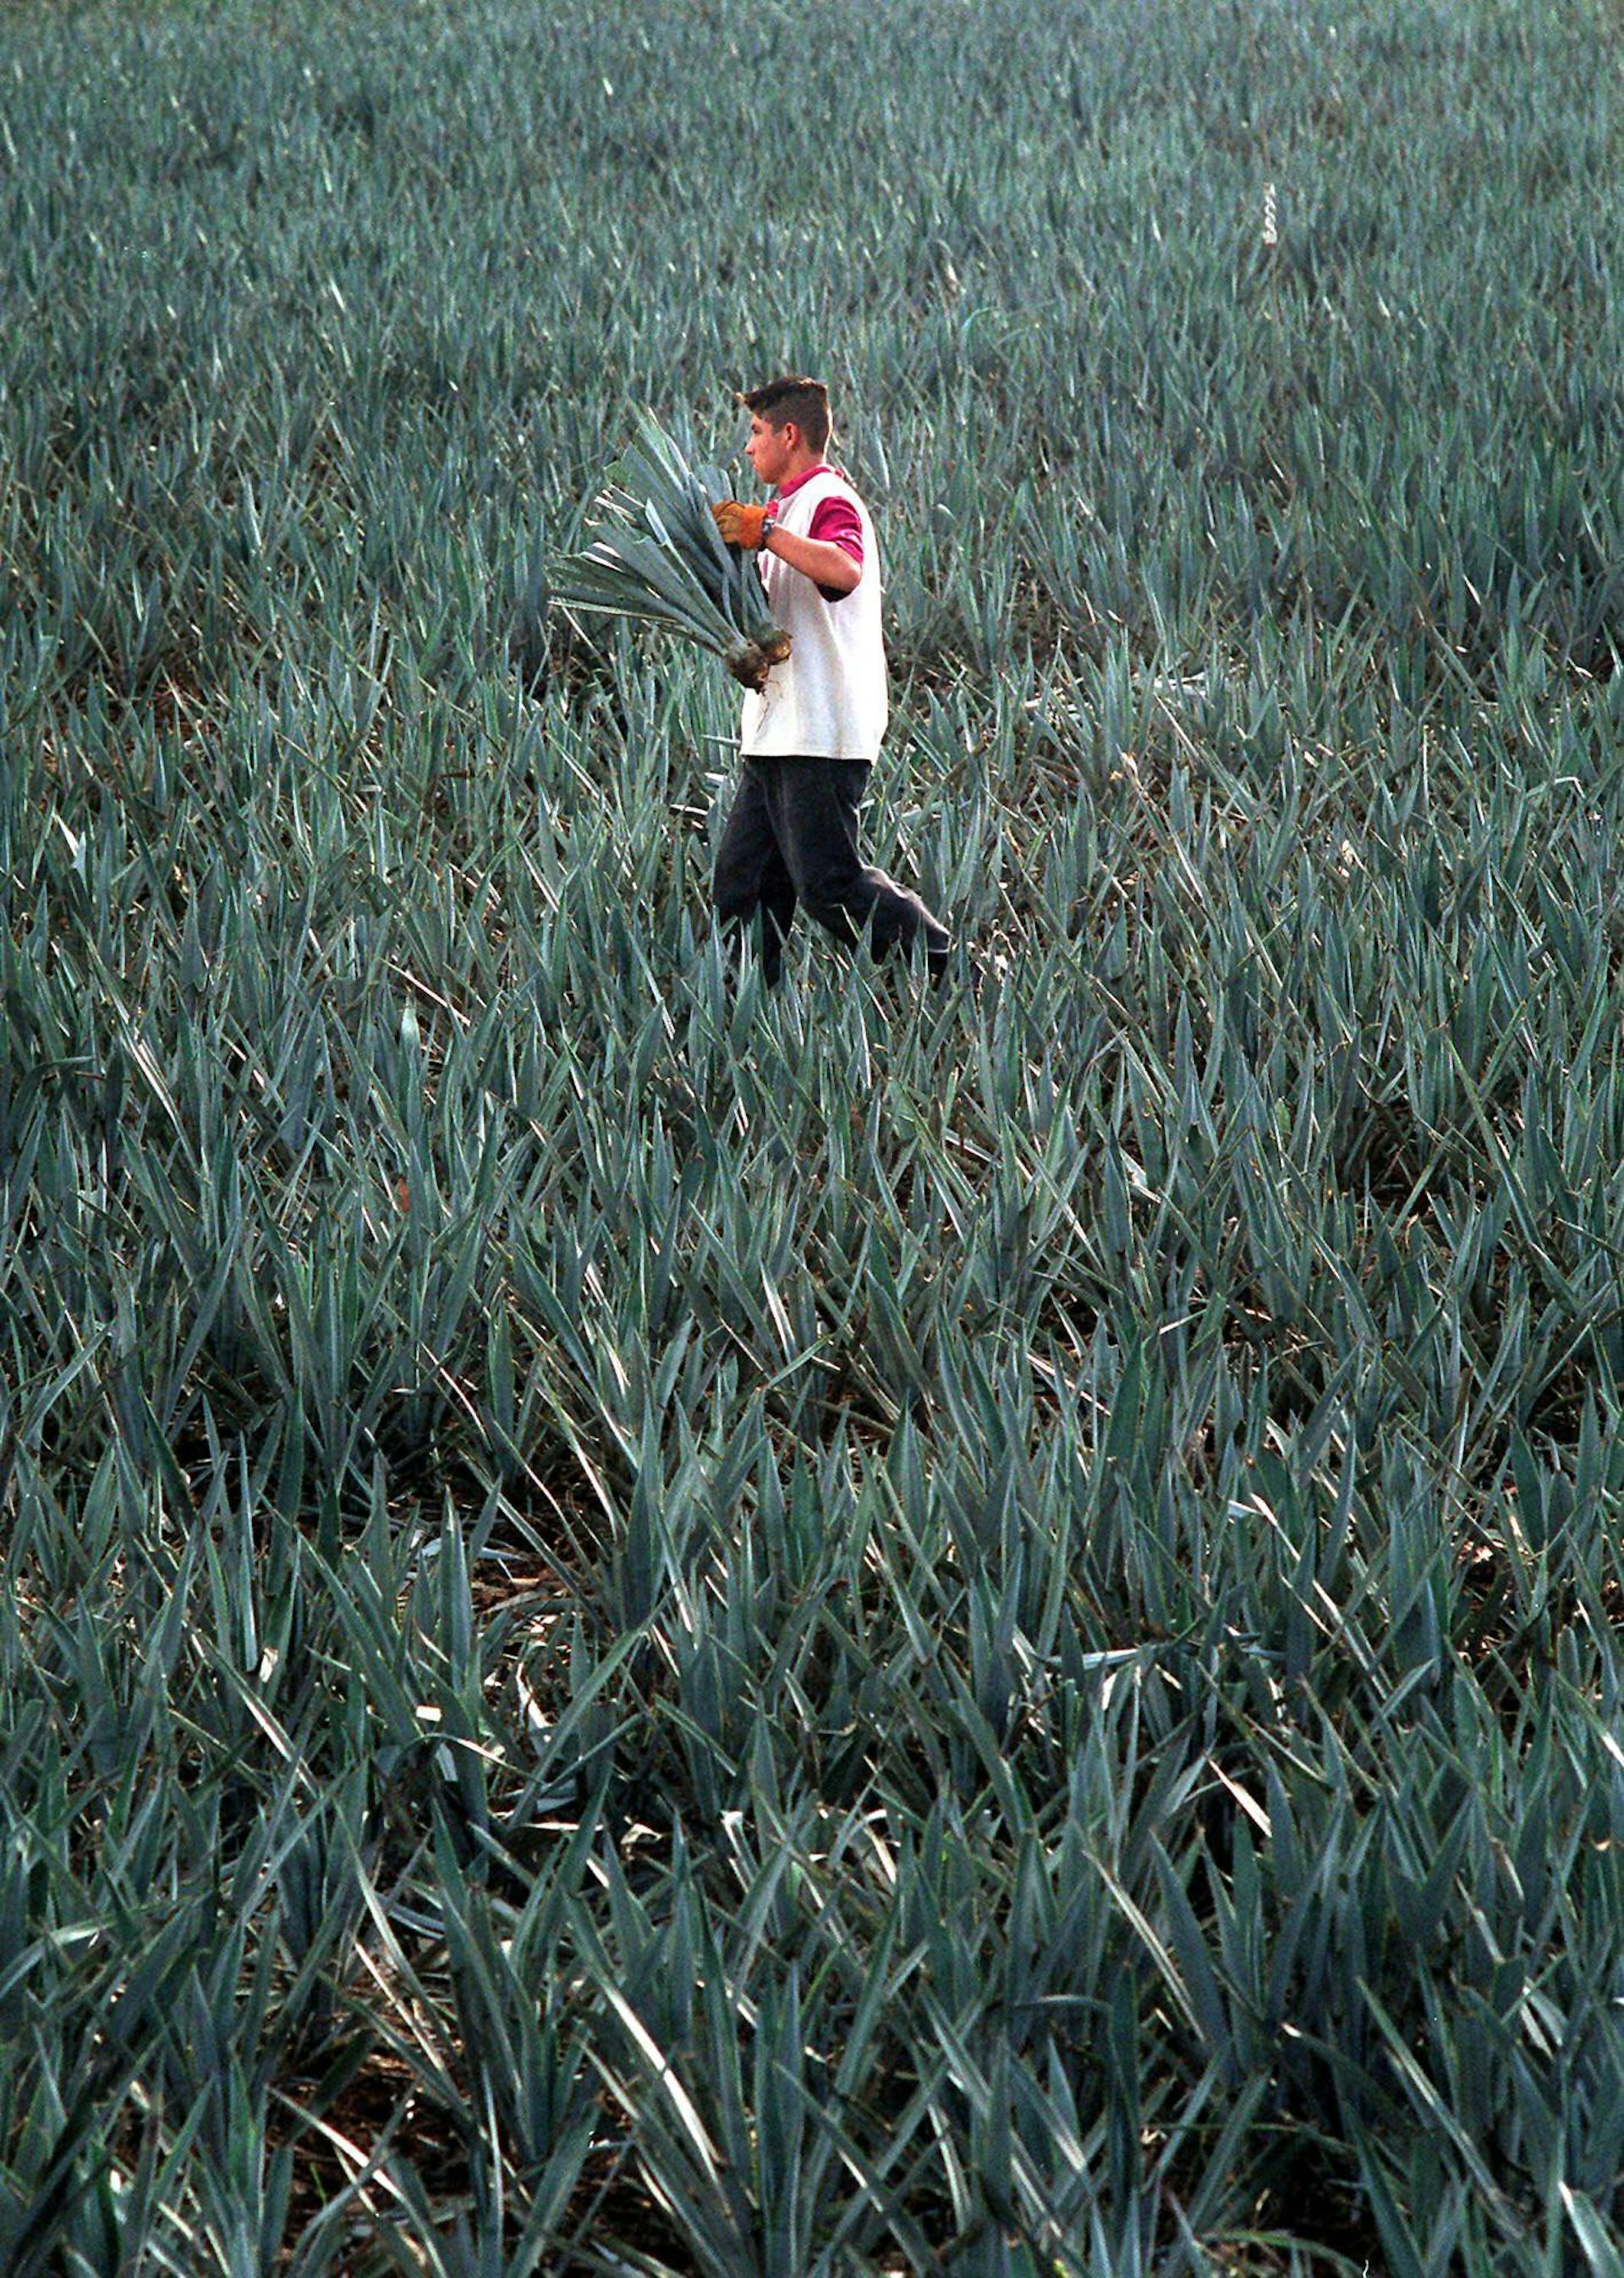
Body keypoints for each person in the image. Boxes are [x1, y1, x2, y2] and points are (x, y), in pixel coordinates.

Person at [709, 375, 952, 989]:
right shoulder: (788, 510)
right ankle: (747, 1018)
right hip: (777, 732)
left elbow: (843, 570)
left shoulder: (826, 500)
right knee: (743, 886)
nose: (749, 447)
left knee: (828, 885)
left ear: (790, 435)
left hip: (819, 729)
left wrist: (764, 533)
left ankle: (950, 972)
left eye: (758, 433)